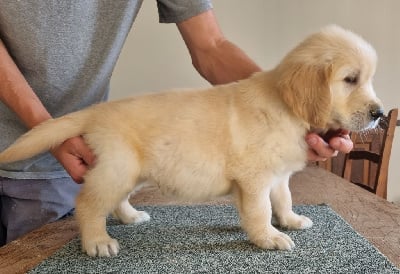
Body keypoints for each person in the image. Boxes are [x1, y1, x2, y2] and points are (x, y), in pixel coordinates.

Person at [0, 1, 352, 246]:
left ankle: (119, 205)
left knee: (127, 168)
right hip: (37, 142)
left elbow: (211, 45)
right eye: (351, 80)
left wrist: (285, 106)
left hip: (55, 162)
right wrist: (43, 126)